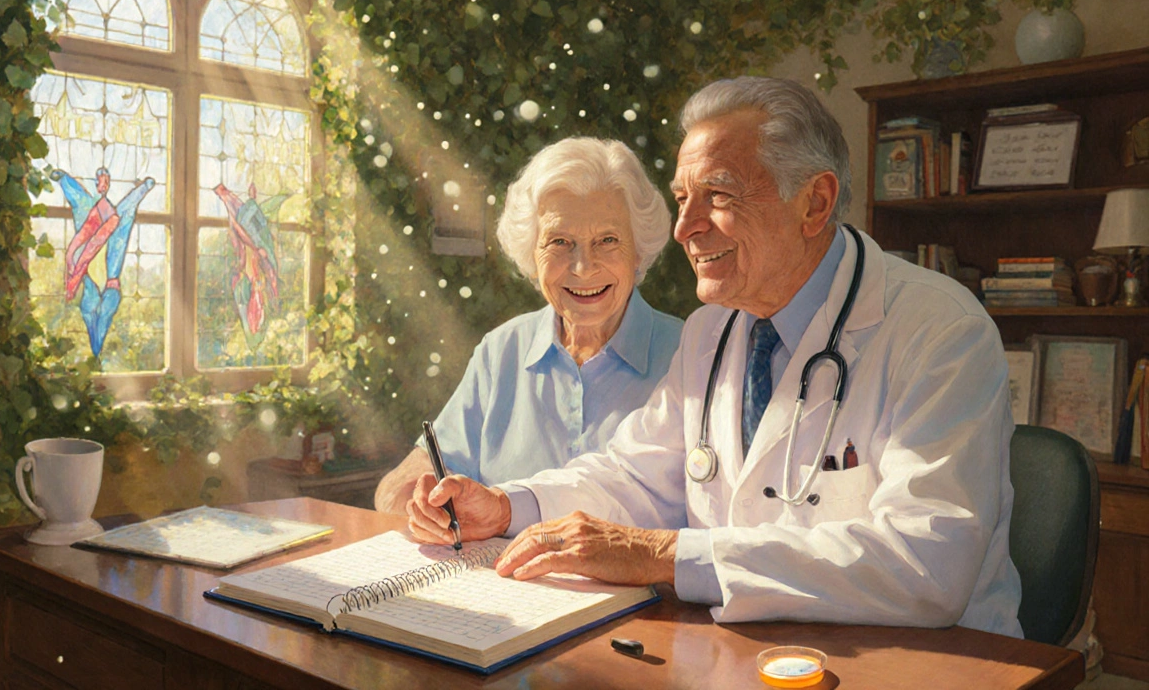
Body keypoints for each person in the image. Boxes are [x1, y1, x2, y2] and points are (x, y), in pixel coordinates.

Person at [407, 77, 1024, 637]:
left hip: (923, 663)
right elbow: (634, 475)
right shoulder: (713, 331)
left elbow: (926, 562)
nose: (684, 228)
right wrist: (508, 507)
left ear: (814, 203)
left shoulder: (941, 331)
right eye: (682, 198)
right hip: (750, 654)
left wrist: (666, 556)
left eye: (718, 195)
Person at [374, 137, 684, 515]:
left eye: (607, 240)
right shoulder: (502, 349)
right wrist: (418, 498)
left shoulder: (689, 356)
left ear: (638, 251)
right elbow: (427, 466)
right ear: (531, 254)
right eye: (560, 241)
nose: (583, 267)